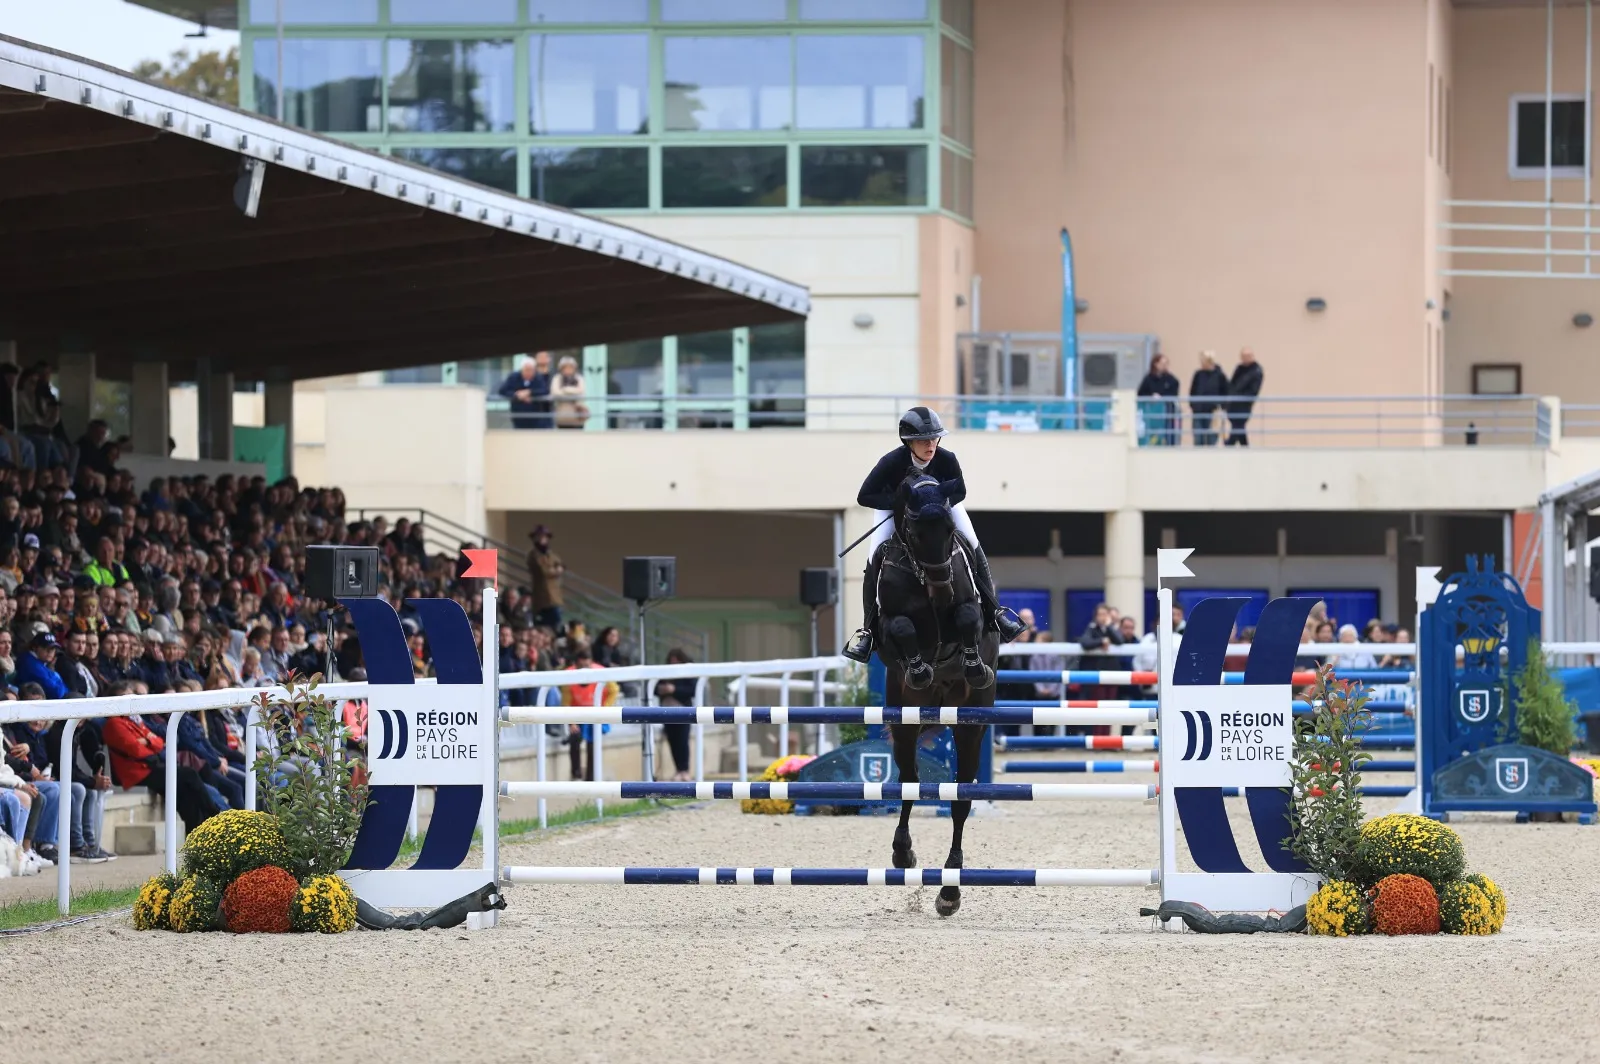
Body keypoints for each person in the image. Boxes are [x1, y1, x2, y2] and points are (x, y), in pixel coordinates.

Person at [842, 407, 1025, 663]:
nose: (931, 445)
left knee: (973, 544)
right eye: (923, 440)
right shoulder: (891, 462)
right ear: (908, 442)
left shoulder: (946, 458)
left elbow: (960, 490)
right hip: (898, 513)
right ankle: (868, 630)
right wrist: (900, 503)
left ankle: (995, 611)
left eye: (934, 438)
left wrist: (936, 502)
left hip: (941, 511)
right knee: (874, 557)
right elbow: (865, 496)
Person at [654, 648, 699, 781]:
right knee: (672, 741)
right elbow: (655, 688)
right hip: (667, 711)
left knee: (682, 740)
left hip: (683, 710)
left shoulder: (688, 673)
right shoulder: (665, 673)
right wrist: (662, 690)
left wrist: (674, 690)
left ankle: (685, 770)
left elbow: (692, 690)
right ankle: (678, 769)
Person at [497, 352, 553, 430]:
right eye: (526, 370)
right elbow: (502, 390)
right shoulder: (514, 377)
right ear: (522, 369)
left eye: (531, 370)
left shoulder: (538, 378)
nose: (529, 373)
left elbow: (545, 391)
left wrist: (529, 393)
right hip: (518, 417)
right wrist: (517, 395)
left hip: (536, 419)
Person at [1135, 353, 1181, 446]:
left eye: (1166, 364)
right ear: (1156, 364)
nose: (1165, 366)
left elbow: (1174, 394)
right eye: (1162, 363)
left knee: (1168, 434)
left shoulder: (1171, 380)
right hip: (1151, 414)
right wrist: (1151, 397)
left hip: (1167, 413)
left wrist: (1162, 397)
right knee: (1152, 436)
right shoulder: (1148, 379)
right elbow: (1140, 393)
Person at [1189, 351, 1229, 446]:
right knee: (1198, 439)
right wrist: (1193, 405)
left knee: (1212, 439)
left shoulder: (1220, 375)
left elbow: (1226, 392)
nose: (1201, 363)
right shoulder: (1198, 374)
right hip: (1198, 411)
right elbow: (1193, 391)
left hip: (1213, 412)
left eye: (1203, 361)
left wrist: (1221, 407)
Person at [527, 525, 564, 630]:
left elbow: (559, 563)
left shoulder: (550, 553)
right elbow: (544, 570)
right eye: (539, 536)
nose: (542, 539)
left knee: (557, 625)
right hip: (542, 598)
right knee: (543, 627)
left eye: (544, 537)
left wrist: (556, 569)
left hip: (554, 597)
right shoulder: (533, 554)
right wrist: (556, 570)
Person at [1226, 347, 1264, 446]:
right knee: (1239, 429)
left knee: (1237, 428)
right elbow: (1232, 384)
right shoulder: (1239, 368)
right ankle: (1245, 450)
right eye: (1243, 356)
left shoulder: (1256, 371)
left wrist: (1238, 397)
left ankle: (1228, 447)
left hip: (1244, 406)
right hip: (1233, 405)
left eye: (1247, 356)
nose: (1245, 358)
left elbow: (1253, 391)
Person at [550, 355, 590, 430]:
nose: (568, 370)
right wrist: (573, 392)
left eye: (570, 367)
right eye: (566, 367)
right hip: (562, 417)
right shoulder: (557, 378)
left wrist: (565, 389)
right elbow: (555, 392)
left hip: (578, 416)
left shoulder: (579, 378)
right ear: (561, 368)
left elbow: (581, 392)